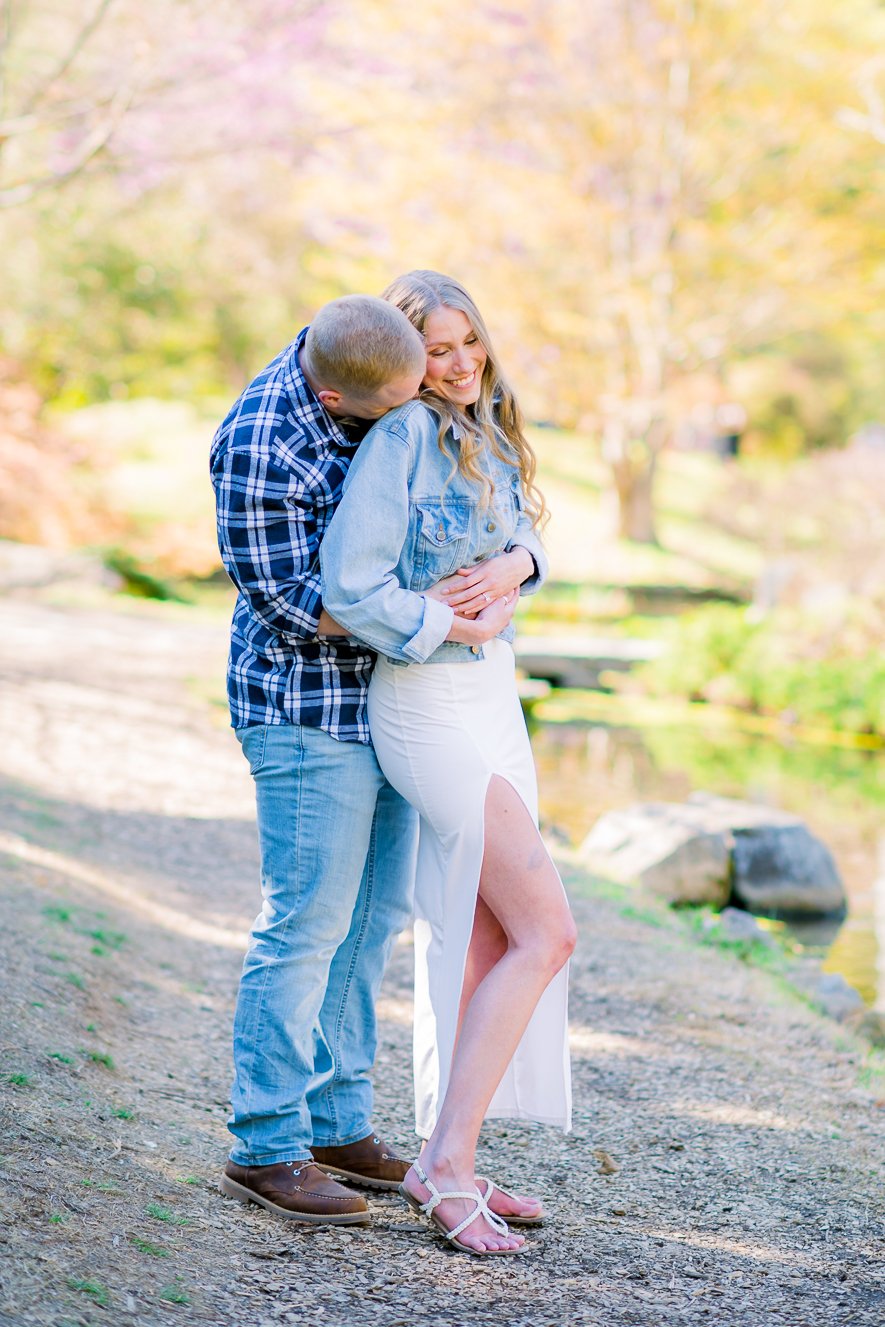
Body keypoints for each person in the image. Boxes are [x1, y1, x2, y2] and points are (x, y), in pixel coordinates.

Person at [320, 271, 575, 1256]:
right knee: (546, 930)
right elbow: (353, 582)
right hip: (426, 701)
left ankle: (446, 1151)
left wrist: (521, 568)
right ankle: (446, 1169)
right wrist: (447, 619)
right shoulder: (400, 441)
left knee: (475, 938)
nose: (462, 362)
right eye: (439, 349)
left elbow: (522, 534)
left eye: (471, 341)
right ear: (405, 360)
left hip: (491, 696)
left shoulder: (488, 430)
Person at [210, 295, 429, 1226]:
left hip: (389, 703)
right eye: (392, 412)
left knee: (371, 920)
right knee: (304, 924)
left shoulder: (370, 369)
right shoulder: (260, 447)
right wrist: (440, 619)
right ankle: (266, 1143)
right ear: (337, 393)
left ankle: (338, 1123)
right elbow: (309, 605)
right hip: (303, 711)